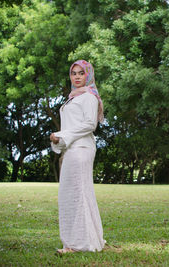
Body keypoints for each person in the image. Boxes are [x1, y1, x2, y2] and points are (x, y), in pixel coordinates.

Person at [50, 60, 105, 255]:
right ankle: (88, 240)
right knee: (72, 195)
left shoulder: (89, 97)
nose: (77, 77)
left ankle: (76, 244)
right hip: (72, 149)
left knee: (76, 195)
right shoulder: (73, 98)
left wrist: (62, 136)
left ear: (88, 75)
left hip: (81, 149)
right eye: (74, 73)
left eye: (81, 73)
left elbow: (90, 125)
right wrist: (59, 141)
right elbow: (72, 126)